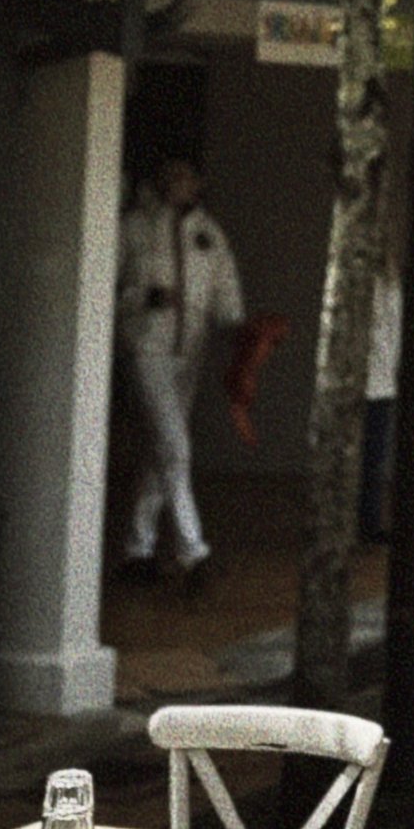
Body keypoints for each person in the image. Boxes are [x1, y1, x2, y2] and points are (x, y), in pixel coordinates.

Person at [116, 154, 243, 587]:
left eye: (187, 175)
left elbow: (225, 288)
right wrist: (141, 304)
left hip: (191, 352)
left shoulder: (207, 233)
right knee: (174, 446)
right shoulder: (133, 227)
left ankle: (138, 548)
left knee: (159, 454)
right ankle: (193, 552)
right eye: (171, 174)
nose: (179, 182)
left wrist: (240, 331)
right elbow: (103, 286)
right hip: (146, 348)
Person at [359, 259, 403, 547]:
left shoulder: (392, 287)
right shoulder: (361, 287)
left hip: (382, 383)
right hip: (366, 384)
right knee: (367, 460)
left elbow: (394, 335)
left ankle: (369, 524)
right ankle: (363, 524)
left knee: (374, 460)